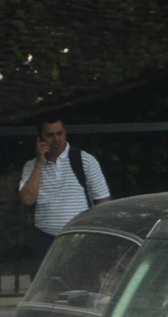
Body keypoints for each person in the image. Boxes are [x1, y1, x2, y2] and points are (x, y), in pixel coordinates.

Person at [18, 116, 110, 273]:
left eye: (59, 133)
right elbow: (27, 199)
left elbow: (103, 200)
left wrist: (95, 233)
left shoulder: (85, 161)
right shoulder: (31, 166)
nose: (56, 139)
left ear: (65, 134)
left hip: (79, 237)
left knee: (80, 286)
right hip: (46, 239)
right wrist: (40, 163)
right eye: (50, 135)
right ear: (40, 139)